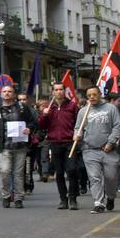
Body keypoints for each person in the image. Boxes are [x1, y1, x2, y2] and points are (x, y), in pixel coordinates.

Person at [0, 84, 37, 209]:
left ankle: (18, 198)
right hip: (4, 147)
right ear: (1, 93)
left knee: (18, 173)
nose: (7, 93)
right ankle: (6, 195)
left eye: (10, 91)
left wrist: (29, 129)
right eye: (4, 91)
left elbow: (33, 122)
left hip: (20, 146)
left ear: (14, 94)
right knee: (4, 171)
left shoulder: (22, 108)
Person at [75, 85, 120, 214]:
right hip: (89, 149)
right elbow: (78, 128)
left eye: (94, 94)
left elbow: (117, 126)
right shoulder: (83, 111)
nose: (92, 97)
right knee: (94, 177)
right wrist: (77, 135)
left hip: (108, 150)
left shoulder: (111, 108)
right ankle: (98, 203)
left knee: (111, 177)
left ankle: (111, 197)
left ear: (100, 94)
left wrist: (111, 142)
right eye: (89, 95)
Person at [37, 80, 80, 210]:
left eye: (61, 89)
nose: (58, 92)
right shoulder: (49, 108)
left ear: (64, 91)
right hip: (55, 143)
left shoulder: (72, 106)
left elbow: (79, 123)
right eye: (56, 90)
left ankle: (73, 198)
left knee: (72, 170)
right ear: (53, 92)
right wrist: (44, 116)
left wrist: (77, 135)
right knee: (59, 173)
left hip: (69, 142)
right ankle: (63, 199)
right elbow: (41, 126)